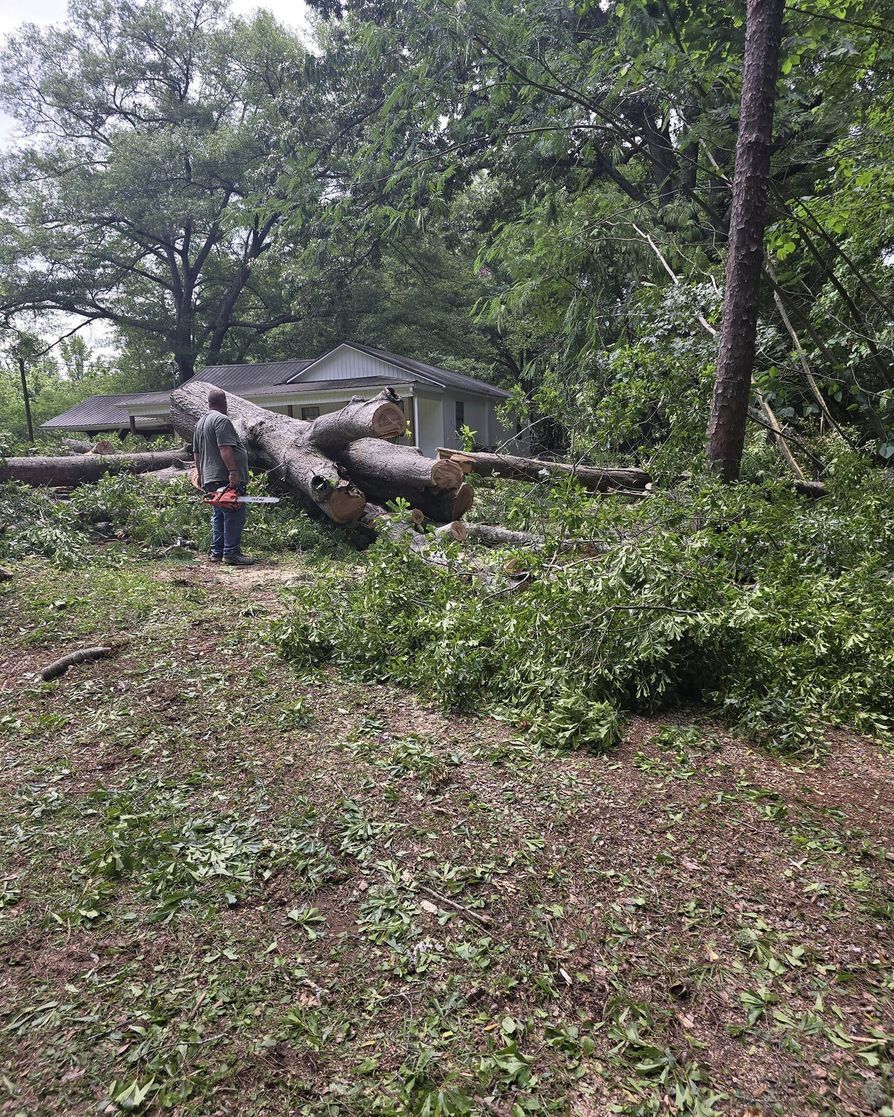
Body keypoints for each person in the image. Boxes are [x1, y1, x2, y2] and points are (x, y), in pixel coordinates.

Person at [192, 389, 256, 566]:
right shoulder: (221, 420)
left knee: (219, 514)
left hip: (211, 477)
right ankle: (231, 553)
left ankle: (217, 551)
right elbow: (225, 447)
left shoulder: (200, 423)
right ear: (224, 402)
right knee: (234, 513)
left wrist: (200, 474)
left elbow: (196, 454)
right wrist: (233, 473)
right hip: (224, 477)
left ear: (209, 403)